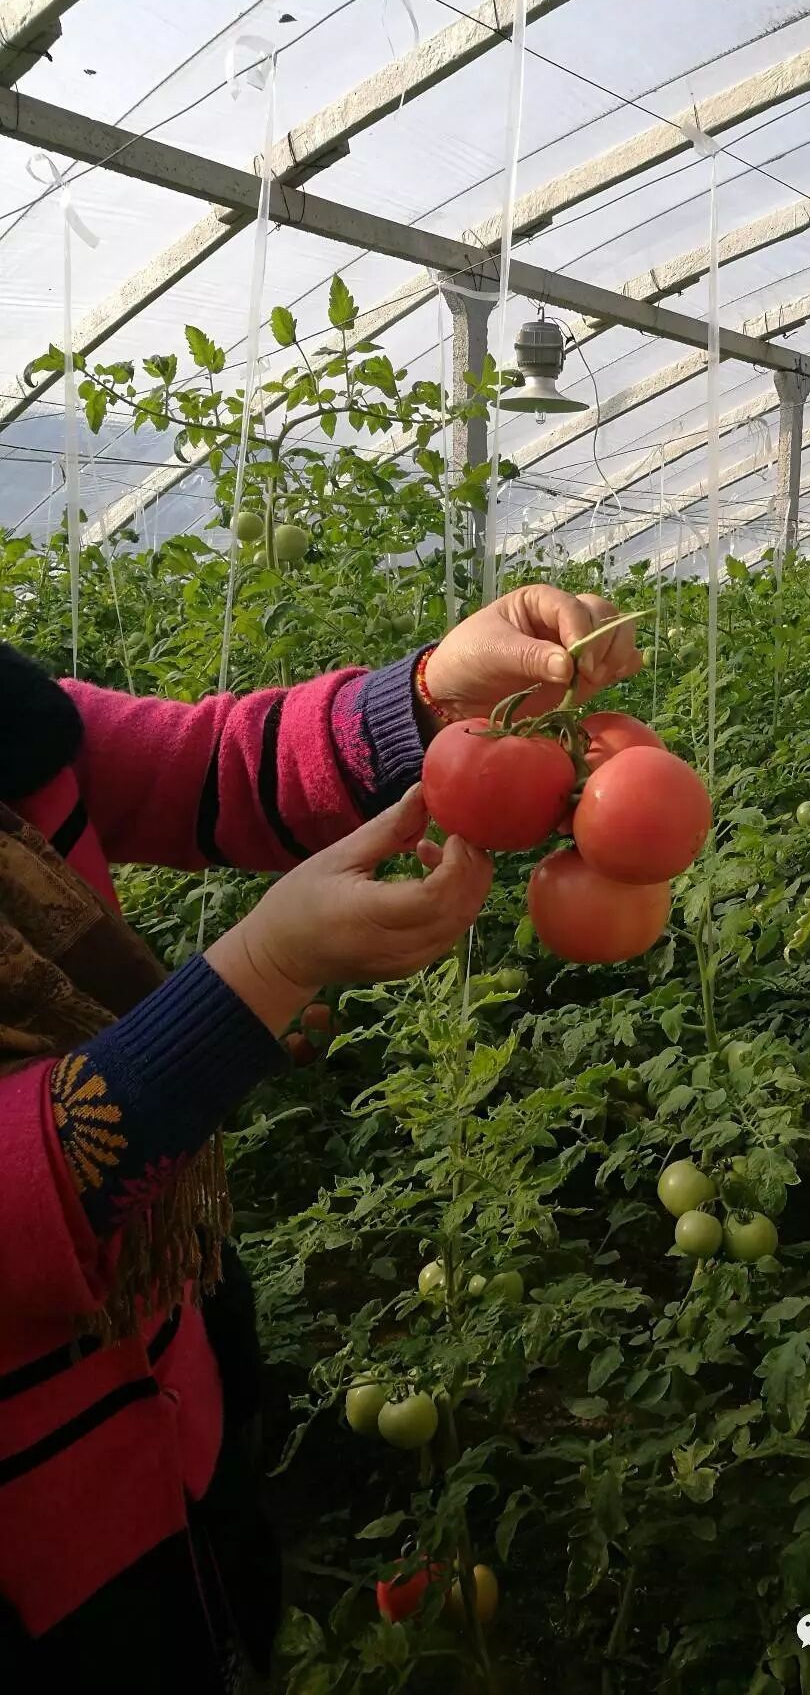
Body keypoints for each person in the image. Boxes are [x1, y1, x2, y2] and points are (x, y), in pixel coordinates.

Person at [0, 585, 641, 1693]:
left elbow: (212, 767)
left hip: (175, 1395)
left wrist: (432, 695)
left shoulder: (11, 720)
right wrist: (261, 972)